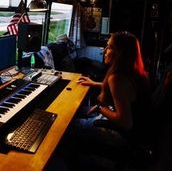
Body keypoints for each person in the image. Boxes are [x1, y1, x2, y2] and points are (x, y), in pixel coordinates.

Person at [58, 31, 151, 170]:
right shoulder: (132, 72)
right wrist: (94, 83)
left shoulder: (117, 79)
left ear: (120, 53)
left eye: (110, 47)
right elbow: (121, 92)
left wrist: (100, 108)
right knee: (71, 111)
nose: (104, 50)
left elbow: (125, 123)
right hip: (130, 132)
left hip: (119, 133)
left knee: (63, 125)